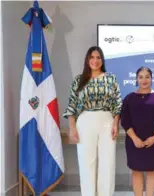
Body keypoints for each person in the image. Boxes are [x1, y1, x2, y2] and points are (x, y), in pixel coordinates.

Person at [63, 46, 122, 196]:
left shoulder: (111, 78)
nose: (95, 61)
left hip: (107, 121)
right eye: (92, 57)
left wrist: (116, 124)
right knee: (86, 162)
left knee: (107, 162)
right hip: (84, 121)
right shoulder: (79, 80)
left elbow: (117, 103)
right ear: (87, 60)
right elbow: (72, 104)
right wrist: (72, 128)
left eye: (98, 57)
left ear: (102, 60)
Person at [120, 67, 154, 196]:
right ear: (136, 79)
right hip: (134, 142)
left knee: (152, 171)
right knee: (136, 171)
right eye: (141, 77)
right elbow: (125, 121)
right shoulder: (129, 98)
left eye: (147, 76)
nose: (144, 80)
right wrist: (135, 139)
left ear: (151, 79)